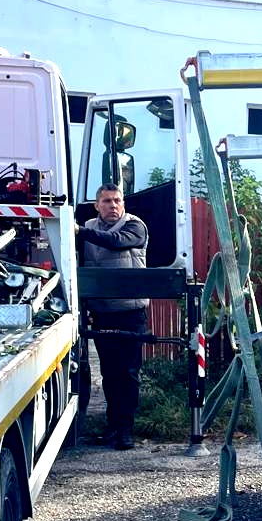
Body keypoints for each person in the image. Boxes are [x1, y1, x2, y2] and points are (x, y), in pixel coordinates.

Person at [79, 183, 149, 450]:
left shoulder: (135, 226)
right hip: (103, 313)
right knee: (109, 373)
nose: (113, 205)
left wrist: (80, 231)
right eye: (107, 201)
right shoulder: (89, 226)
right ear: (97, 205)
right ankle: (112, 426)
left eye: (117, 200)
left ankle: (126, 430)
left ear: (123, 204)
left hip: (131, 312)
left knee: (128, 373)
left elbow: (117, 242)